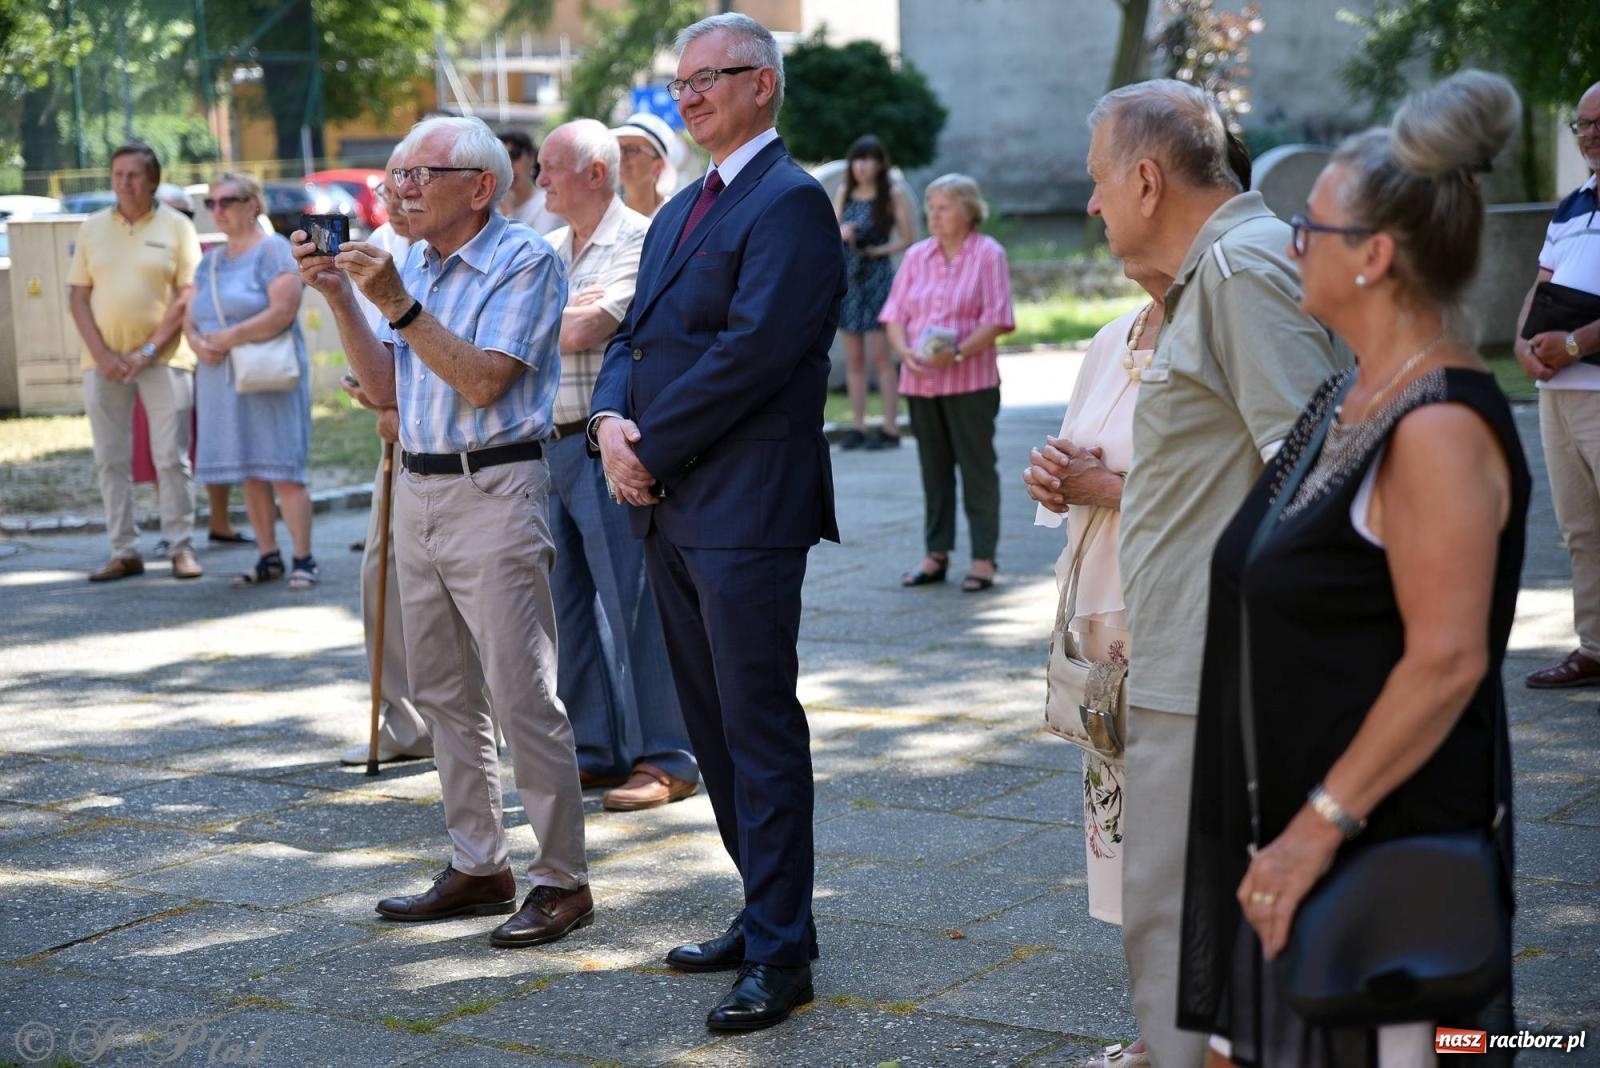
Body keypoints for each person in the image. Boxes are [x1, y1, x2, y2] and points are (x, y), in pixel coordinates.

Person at [1180, 70, 1527, 1067]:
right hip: (1306, 840)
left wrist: (1313, 830)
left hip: (1381, 860)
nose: (1292, 242)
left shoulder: (1439, 427)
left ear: (1373, 256)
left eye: (1310, 227)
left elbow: (1448, 661)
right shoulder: (1350, 394)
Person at [1082, 80, 1346, 1067]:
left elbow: (1317, 484)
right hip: (1201, 659)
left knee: (1178, 911)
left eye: (1100, 183)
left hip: (1216, 671)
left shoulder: (1239, 270)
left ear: (1146, 180)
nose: (1094, 207)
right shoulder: (1223, 269)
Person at [588, 12, 843, 1031]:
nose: (688, 95)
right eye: (681, 80)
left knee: (758, 729)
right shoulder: (688, 204)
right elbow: (632, 334)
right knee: (713, 732)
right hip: (674, 502)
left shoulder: (789, 204)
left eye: (712, 78)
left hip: (744, 507)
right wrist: (610, 419)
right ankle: (766, 910)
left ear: (763, 86)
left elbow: (752, 354)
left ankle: (782, 959)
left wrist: (645, 449)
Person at [293, 115, 590, 948]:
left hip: (496, 486)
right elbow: (389, 384)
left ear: (482, 187)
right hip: (417, 487)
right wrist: (342, 295)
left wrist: (396, 300)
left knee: (522, 693)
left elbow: (487, 381)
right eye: (396, 175)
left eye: (421, 173)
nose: (400, 188)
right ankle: (479, 861)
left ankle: (562, 879)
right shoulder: (412, 262)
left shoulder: (524, 258)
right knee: (441, 694)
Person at [1024, 262, 1171, 1068]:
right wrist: (1056, 482)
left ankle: (1198, 1032)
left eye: (1106, 183)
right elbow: (1079, 463)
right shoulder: (1116, 334)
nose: (1093, 204)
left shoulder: (1218, 333)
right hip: (1103, 626)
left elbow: (1242, 485)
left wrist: (1106, 486)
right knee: (1126, 839)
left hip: (1176, 615)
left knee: (1183, 833)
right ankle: (1160, 1025)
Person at [536, 118, 698, 809]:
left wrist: (542, 321)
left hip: (608, 447)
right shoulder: (544, 250)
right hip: (546, 445)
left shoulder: (642, 238)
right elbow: (533, 333)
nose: (537, 179)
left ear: (594, 173)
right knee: (567, 608)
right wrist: (555, 318)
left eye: (550, 167)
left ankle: (668, 756)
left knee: (635, 607)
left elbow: (584, 330)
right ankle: (596, 749)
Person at [67, 142, 204, 583]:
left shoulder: (177, 227)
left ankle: (181, 547)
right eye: (117, 174)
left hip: (165, 359)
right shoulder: (92, 228)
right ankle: (123, 550)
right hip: (102, 363)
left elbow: (187, 294)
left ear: (153, 181)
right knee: (110, 459)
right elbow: (78, 296)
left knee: (171, 458)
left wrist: (148, 349)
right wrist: (105, 356)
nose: (123, 182)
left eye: (133, 175)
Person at [338, 154, 435, 767]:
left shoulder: (455, 250)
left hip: (457, 442)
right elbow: (369, 355)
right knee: (381, 574)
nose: (398, 196)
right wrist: (368, 386)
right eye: (389, 184)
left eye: (411, 182)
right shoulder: (376, 245)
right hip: (396, 438)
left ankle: (484, 718)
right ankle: (403, 721)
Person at [879, 173, 1014, 593]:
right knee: (933, 473)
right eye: (930, 208)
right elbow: (894, 315)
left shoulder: (988, 254)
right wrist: (905, 354)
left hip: (970, 381)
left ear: (968, 210)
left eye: (943, 207)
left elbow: (998, 318)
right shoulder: (917, 256)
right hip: (921, 384)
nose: (933, 215)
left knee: (977, 471)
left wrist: (955, 354)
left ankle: (983, 558)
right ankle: (935, 554)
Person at [185, 173, 317, 590]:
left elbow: (283, 310)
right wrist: (196, 343)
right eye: (212, 203)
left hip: (268, 375)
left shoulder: (275, 250)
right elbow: (189, 315)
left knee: (283, 468)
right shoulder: (209, 261)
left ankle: (303, 557)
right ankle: (267, 556)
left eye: (227, 200)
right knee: (250, 470)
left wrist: (229, 337)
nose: (218, 209)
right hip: (221, 377)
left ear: (252, 204)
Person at [1516, 79, 1600, 691]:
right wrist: (1524, 345)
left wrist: (1574, 343)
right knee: (1579, 529)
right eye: (1582, 123)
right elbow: (1540, 286)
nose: (1589, 133)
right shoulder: (1571, 204)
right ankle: (1594, 647)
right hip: (1557, 396)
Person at [836, 135, 914, 451]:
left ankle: (890, 427)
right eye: (857, 159)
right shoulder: (845, 192)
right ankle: (857, 425)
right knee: (854, 358)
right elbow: (830, 231)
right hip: (850, 280)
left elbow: (908, 238)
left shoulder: (891, 194)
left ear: (880, 163)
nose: (862, 166)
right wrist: (845, 234)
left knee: (882, 357)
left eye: (868, 159)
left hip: (879, 277)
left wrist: (878, 250)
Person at [611, 112, 684, 220]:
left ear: (658, 166)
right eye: (618, 148)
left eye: (631, 150)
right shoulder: (612, 218)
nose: (621, 156)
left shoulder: (676, 218)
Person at [496, 128, 562, 234]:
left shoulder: (547, 204)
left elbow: (537, 248)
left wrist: (508, 215)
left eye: (515, 155)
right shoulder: (493, 208)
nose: (509, 164)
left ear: (531, 158)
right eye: (502, 159)